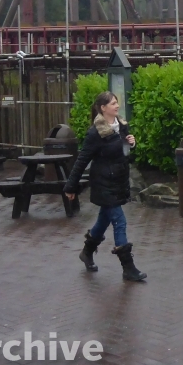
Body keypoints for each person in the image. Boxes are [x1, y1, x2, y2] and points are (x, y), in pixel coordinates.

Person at [64, 91, 146, 282]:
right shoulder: (95, 133)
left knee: (103, 220)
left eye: (117, 103)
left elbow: (124, 153)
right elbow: (82, 159)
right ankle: (128, 268)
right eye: (113, 103)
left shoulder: (122, 126)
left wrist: (131, 144)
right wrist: (70, 186)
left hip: (118, 181)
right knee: (119, 221)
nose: (117, 106)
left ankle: (86, 252)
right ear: (103, 108)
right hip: (103, 183)